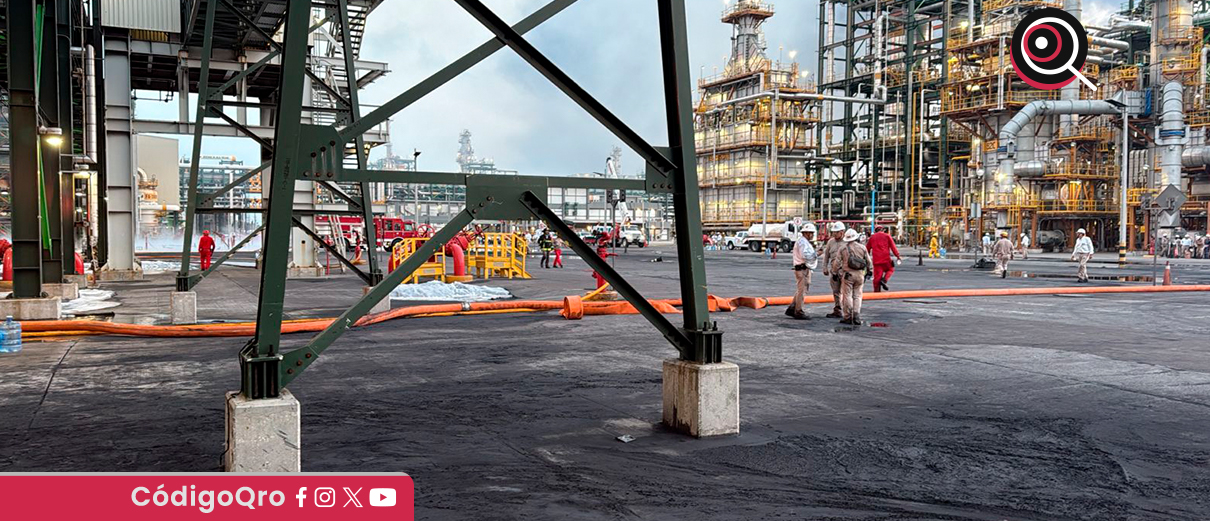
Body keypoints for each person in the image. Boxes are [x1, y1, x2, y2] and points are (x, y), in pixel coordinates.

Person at [832, 228, 873, 325]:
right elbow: (868, 261)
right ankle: (856, 316)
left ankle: (848, 316)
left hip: (848, 275)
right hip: (860, 274)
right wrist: (870, 271)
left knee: (847, 296)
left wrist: (834, 272)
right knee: (857, 296)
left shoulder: (842, 248)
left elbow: (837, 263)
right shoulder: (862, 248)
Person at [785, 223, 819, 320]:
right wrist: (817, 254)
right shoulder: (803, 243)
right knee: (802, 290)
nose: (812, 235)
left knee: (801, 289)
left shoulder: (802, 242)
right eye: (811, 233)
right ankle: (798, 311)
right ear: (807, 233)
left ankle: (792, 308)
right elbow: (806, 256)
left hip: (802, 268)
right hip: (802, 269)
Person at [820, 222, 848, 318]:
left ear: (842, 232)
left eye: (836, 232)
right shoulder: (830, 242)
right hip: (834, 271)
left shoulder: (847, 242)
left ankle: (848, 311)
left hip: (844, 271)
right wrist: (825, 267)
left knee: (846, 292)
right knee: (836, 291)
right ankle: (837, 309)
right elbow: (826, 256)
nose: (834, 234)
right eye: (833, 232)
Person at [866, 225, 902, 292]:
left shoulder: (872, 238)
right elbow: (893, 247)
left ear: (875, 230)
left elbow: (867, 249)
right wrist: (897, 256)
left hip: (876, 261)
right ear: (882, 230)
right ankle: (884, 280)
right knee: (890, 269)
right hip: (886, 259)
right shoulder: (887, 236)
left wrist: (865, 258)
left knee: (877, 278)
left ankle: (876, 292)